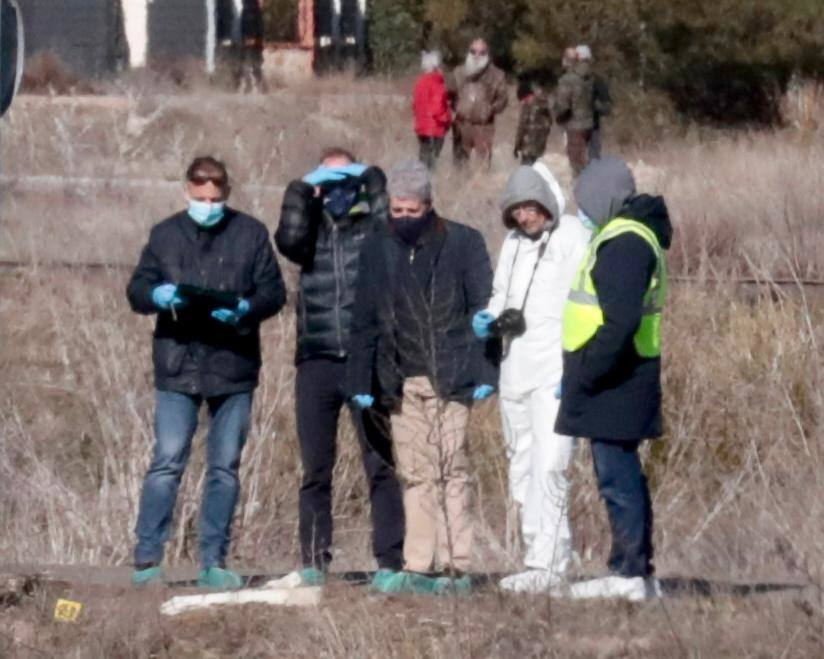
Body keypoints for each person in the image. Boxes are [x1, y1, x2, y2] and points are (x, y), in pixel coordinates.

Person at [127, 156, 286, 589]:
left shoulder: (251, 234)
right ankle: (147, 559)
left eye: (215, 199)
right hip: (178, 363)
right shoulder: (165, 235)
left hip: (232, 364)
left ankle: (213, 559)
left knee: (224, 467)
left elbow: (273, 292)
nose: (208, 206)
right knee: (167, 462)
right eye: (200, 199)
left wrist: (245, 308)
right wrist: (156, 295)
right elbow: (137, 289)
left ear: (227, 195)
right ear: (187, 193)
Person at [347, 159, 497, 595]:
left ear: (429, 206)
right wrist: (360, 380)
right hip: (398, 378)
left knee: (452, 468)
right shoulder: (377, 248)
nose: (404, 219)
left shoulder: (464, 243)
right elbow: (363, 318)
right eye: (397, 211)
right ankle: (418, 564)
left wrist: (486, 370)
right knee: (414, 473)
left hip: (451, 374)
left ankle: (456, 566)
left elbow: (481, 310)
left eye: (412, 211)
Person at [275, 147, 405, 588]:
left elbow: (393, 226)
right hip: (316, 358)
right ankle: (314, 560)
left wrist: (370, 177)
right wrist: (300, 191)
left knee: (380, 462)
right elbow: (288, 240)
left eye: (342, 182)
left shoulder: (372, 227)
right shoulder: (309, 228)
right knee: (315, 468)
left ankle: (390, 559)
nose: (335, 192)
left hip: (364, 358)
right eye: (326, 183)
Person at [555, 156, 672, 602]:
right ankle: (635, 572)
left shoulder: (624, 241)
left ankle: (628, 573)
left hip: (617, 378)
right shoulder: (630, 234)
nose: (582, 210)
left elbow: (619, 322)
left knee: (617, 477)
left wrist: (587, 371)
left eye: (585, 201)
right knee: (622, 475)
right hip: (623, 375)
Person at [472, 163, 589, 593]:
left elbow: (586, 302)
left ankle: (553, 559)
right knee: (521, 462)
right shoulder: (513, 243)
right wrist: (489, 318)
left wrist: (577, 366)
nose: (524, 216)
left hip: (554, 371)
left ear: (544, 201)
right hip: (515, 368)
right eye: (517, 209)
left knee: (552, 463)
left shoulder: (573, 236)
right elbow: (502, 293)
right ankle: (533, 554)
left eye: (530, 206)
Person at [448, 37, 508, 166]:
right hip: (461, 126)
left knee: (482, 167)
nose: (477, 56)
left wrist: (490, 109)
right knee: (459, 166)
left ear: (487, 55)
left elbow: (503, 100)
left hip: (484, 127)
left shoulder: (497, 75)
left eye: (482, 53)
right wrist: (454, 111)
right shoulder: (458, 72)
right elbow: (449, 95)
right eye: (473, 51)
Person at [553, 47, 594, 176]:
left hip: (574, 125)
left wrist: (557, 115)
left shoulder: (567, 80)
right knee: (585, 158)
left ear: (566, 60)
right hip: (588, 123)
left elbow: (563, 106)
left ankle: (581, 190)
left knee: (576, 163)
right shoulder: (587, 77)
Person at [413, 50, 452, 170]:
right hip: (435, 128)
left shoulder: (420, 82)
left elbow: (415, 106)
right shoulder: (436, 83)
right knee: (432, 162)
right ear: (436, 66)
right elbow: (438, 108)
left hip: (421, 127)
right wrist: (447, 120)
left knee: (423, 159)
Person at [576, 45, 612, 160]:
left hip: (591, 129)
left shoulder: (596, 80)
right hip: (578, 129)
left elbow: (607, 107)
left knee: (590, 162)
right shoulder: (570, 80)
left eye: (584, 61)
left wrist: (593, 106)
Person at [513, 77, 553, 165]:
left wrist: (516, 147)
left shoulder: (527, 106)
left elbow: (521, 128)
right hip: (540, 146)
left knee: (526, 171)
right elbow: (550, 123)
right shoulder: (544, 105)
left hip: (528, 147)